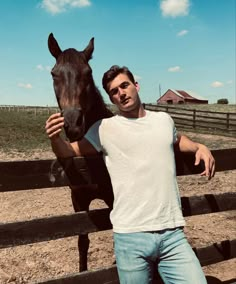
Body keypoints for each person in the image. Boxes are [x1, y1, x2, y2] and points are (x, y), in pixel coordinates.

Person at [45, 65, 215, 284]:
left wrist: (200, 146)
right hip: (130, 237)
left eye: (124, 86)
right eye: (114, 92)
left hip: (172, 235)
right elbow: (69, 150)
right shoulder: (104, 128)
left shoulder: (163, 120)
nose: (121, 93)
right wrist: (55, 139)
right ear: (112, 99)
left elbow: (178, 139)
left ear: (136, 86)